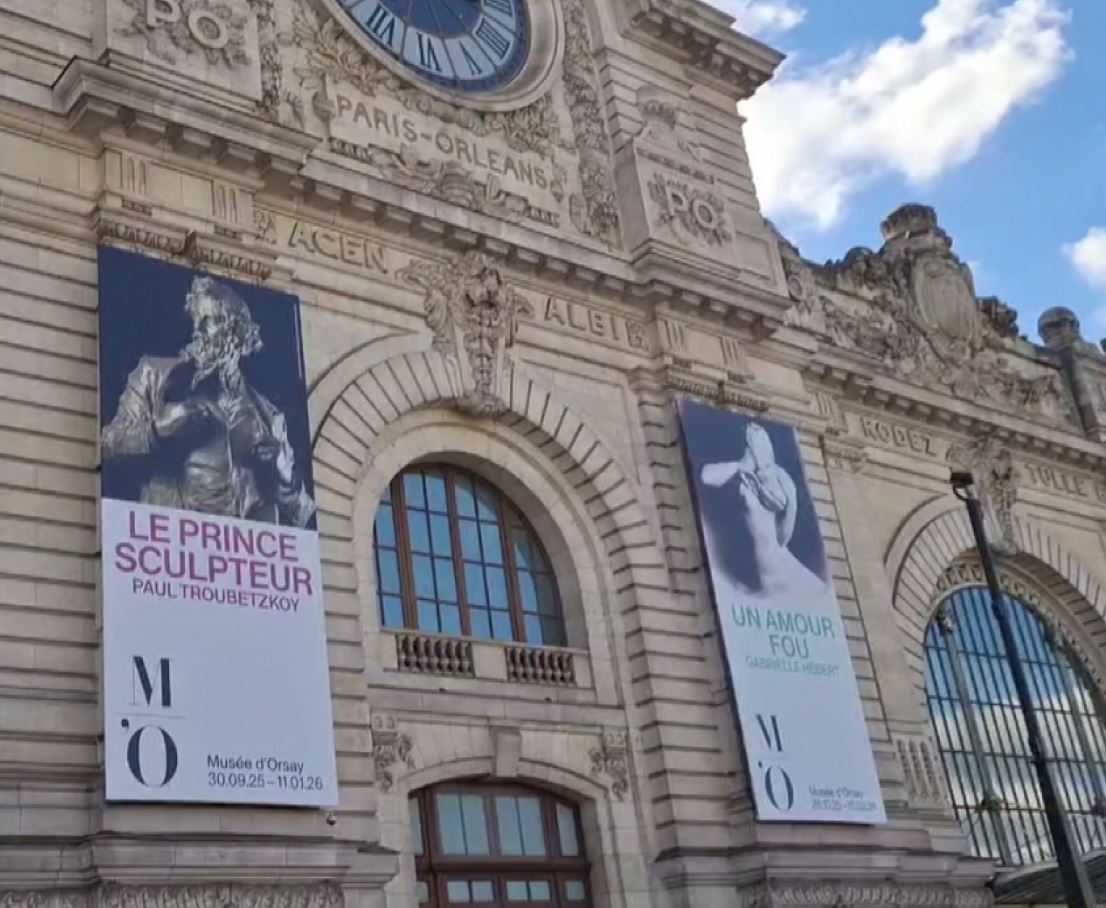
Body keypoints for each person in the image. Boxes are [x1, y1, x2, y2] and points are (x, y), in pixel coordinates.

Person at [101, 275, 316, 528]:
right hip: (171, 539)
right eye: (195, 321)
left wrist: (283, 471)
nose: (197, 331)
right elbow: (108, 444)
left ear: (237, 331)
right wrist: (157, 431)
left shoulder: (269, 416)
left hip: (244, 549)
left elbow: (301, 513)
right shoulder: (153, 375)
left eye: (209, 321)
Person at [700, 422, 825, 600]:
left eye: (761, 443)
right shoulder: (741, 477)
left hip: (779, 566)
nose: (758, 450)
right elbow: (706, 476)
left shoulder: (779, 477)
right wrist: (739, 466)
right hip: (755, 574)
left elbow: (787, 523)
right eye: (753, 444)